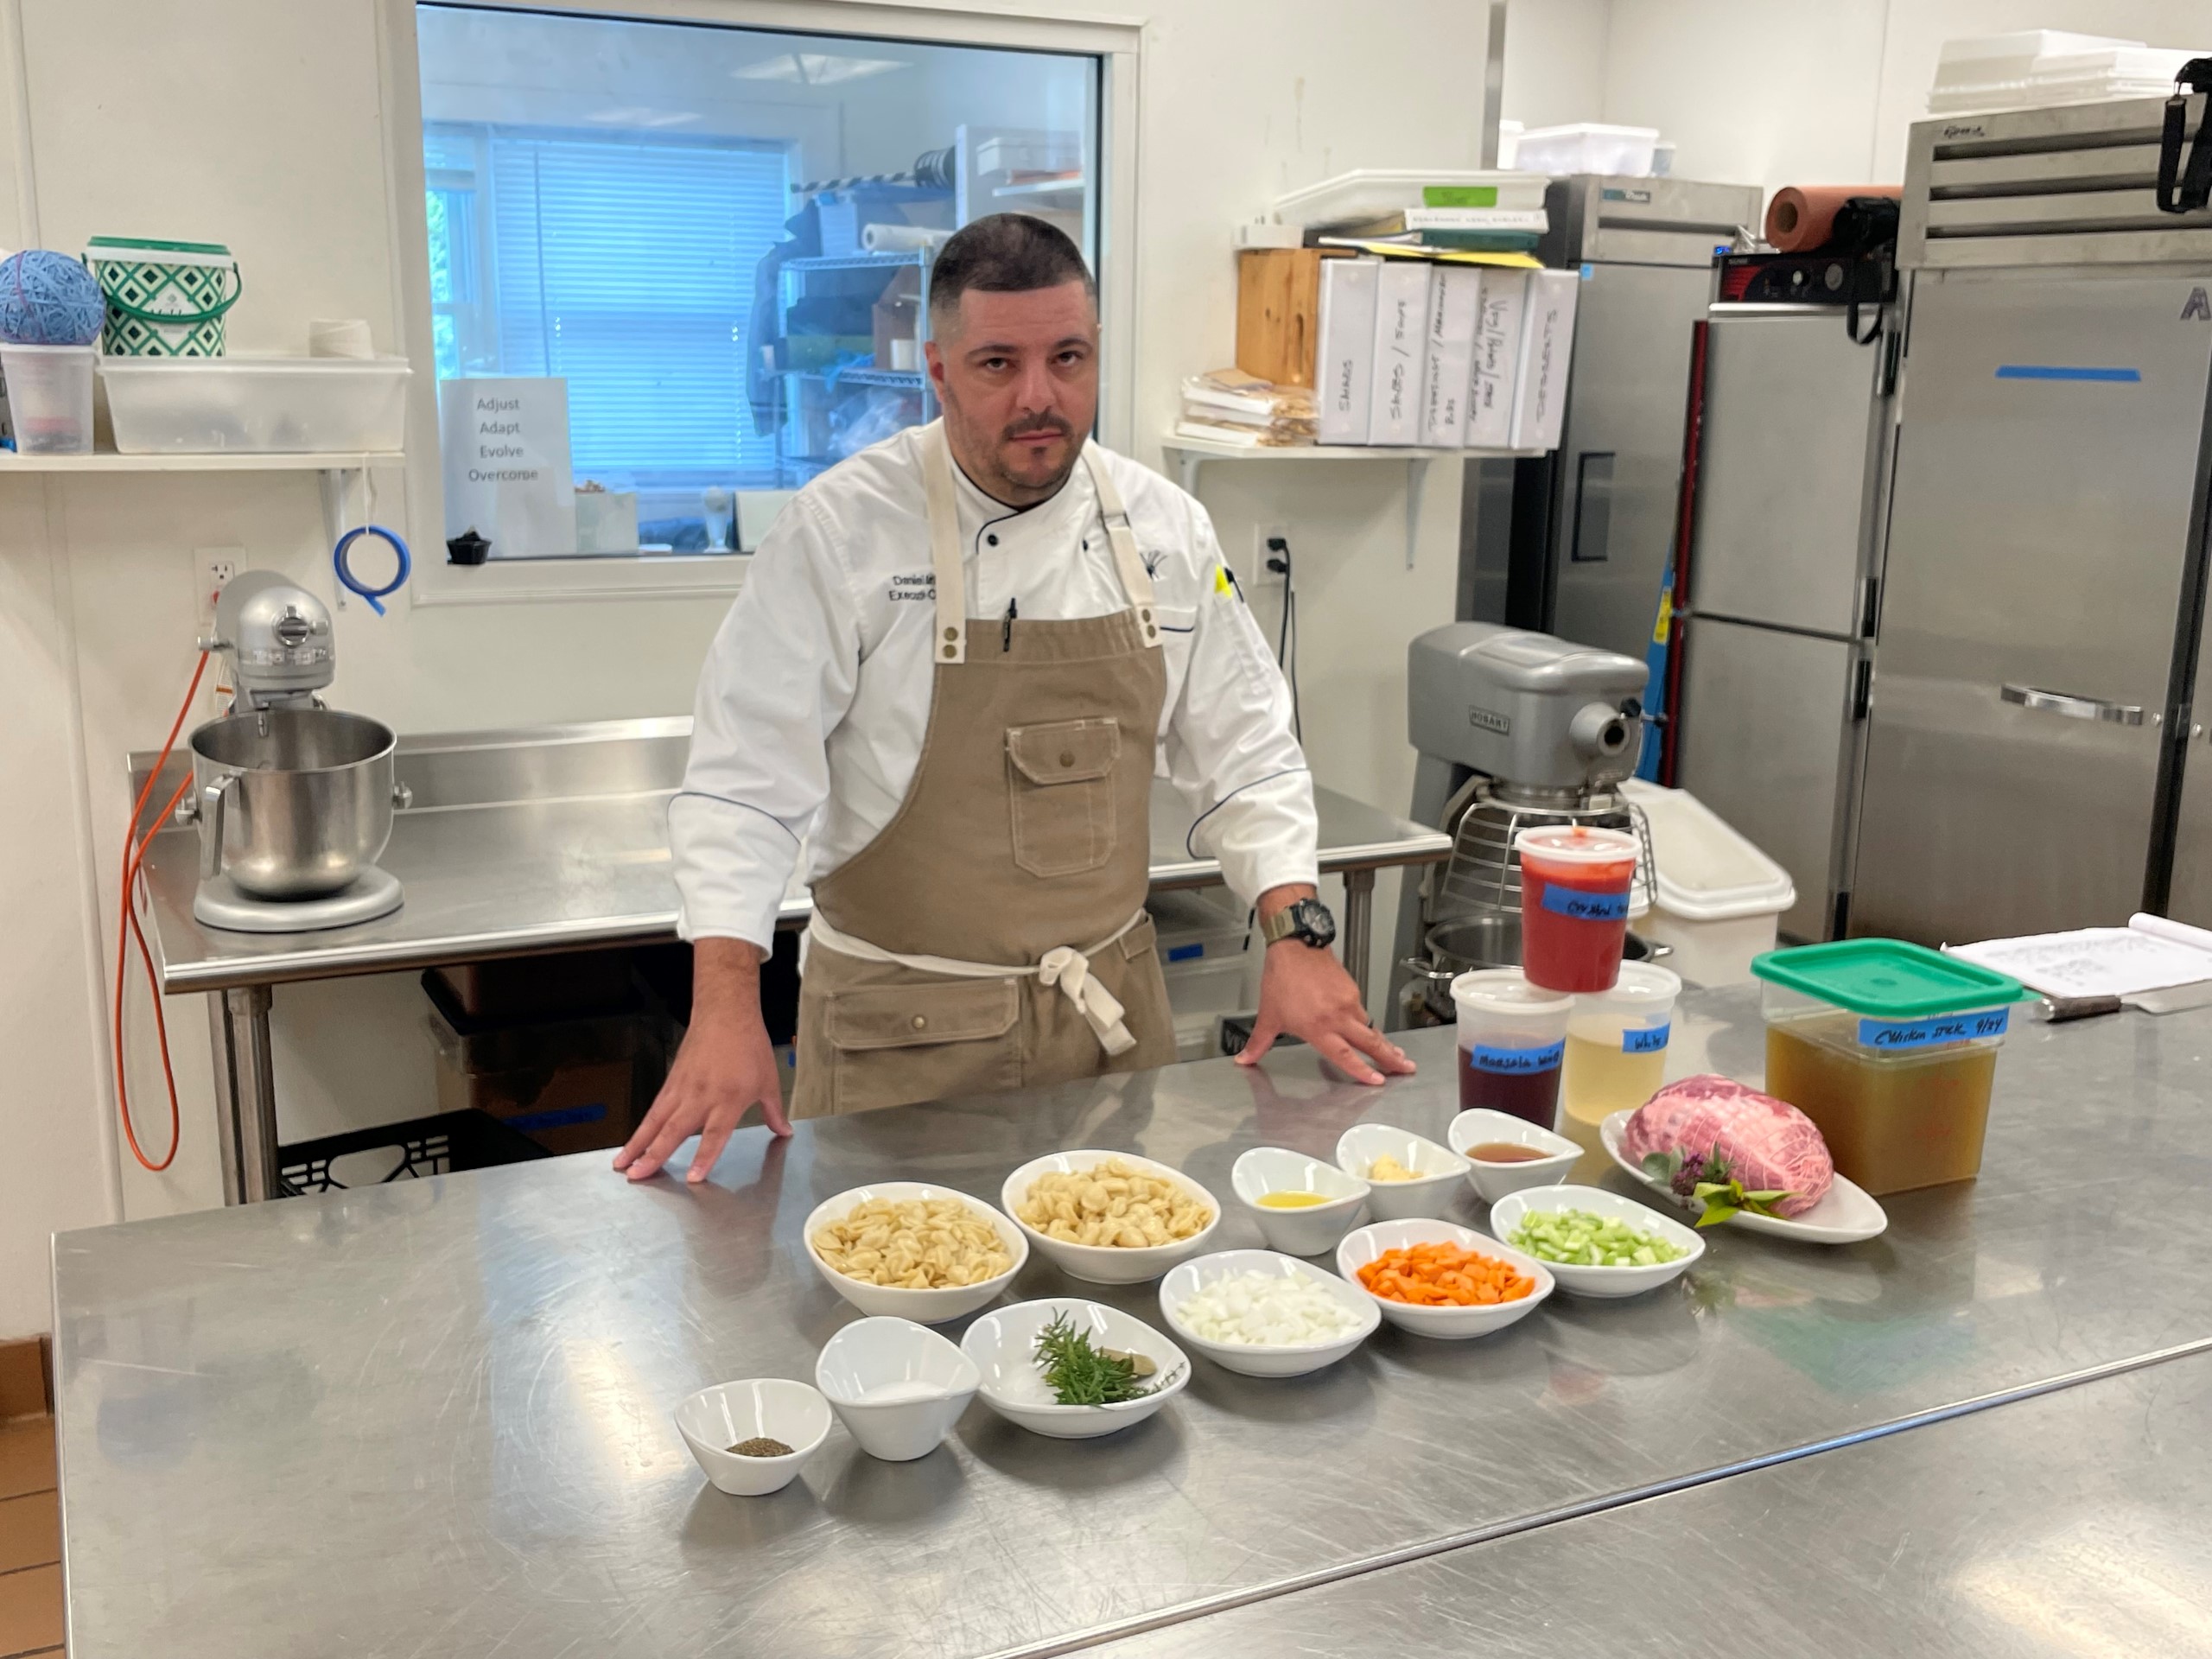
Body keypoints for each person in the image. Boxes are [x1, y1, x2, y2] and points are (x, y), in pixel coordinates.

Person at [616, 213, 1413, 1184]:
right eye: (998, 363)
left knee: (1108, 1271)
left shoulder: (1166, 529)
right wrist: (725, 1007)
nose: (1040, 397)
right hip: (900, 1039)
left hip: (1107, 1039)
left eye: (1067, 358)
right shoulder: (839, 534)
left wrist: (1294, 932)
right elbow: (744, 789)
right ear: (938, 371)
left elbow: (1247, 752)